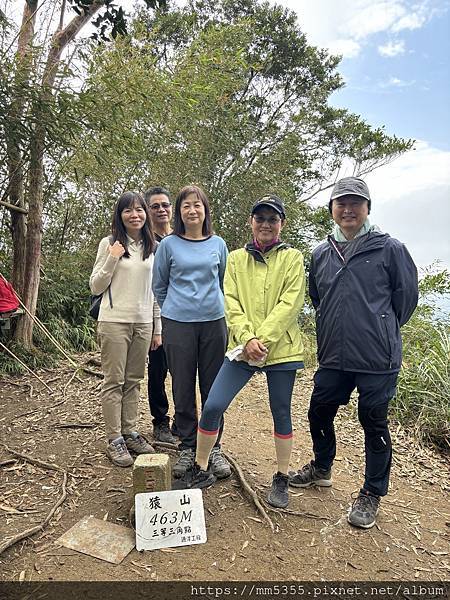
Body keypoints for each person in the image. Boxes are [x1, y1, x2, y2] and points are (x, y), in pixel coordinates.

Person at [289, 176, 418, 528]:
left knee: (373, 423)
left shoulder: (389, 248)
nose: (347, 210)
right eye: (341, 203)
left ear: (367, 209)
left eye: (355, 203)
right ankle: (321, 466)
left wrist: (379, 326)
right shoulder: (321, 253)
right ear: (332, 210)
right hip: (334, 354)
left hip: (378, 357)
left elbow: (405, 301)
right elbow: (319, 298)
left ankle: (372, 492)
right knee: (318, 410)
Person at [175, 195, 306, 510]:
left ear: (281, 224)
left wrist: (263, 339)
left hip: (281, 349)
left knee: (281, 411)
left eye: (272, 219)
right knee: (213, 405)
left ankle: (281, 477)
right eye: (260, 218)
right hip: (242, 347)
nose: (265, 224)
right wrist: (247, 339)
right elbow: (229, 300)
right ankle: (201, 468)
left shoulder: (293, 258)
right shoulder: (235, 258)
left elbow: (291, 304)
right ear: (251, 222)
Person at [152, 185, 231, 480]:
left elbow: (223, 283)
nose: (192, 210)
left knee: (214, 389)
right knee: (183, 386)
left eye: (197, 205)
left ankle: (213, 447)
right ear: (179, 211)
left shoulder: (218, 244)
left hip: (214, 323)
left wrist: (212, 307)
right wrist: (176, 309)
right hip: (178, 324)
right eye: (186, 205)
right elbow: (159, 285)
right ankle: (187, 446)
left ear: (205, 210)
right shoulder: (168, 245)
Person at [90, 191, 161, 467]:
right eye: (128, 210)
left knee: (133, 380)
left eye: (139, 210)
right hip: (114, 321)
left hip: (143, 322)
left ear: (146, 214)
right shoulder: (109, 243)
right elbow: (95, 286)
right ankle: (114, 438)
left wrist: (157, 328)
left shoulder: (152, 246)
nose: (135, 215)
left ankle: (130, 431)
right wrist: (112, 258)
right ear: (119, 215)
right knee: (114, 381)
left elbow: (155, 291)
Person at [144, 186, 176, 444]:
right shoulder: (144, 243)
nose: (161, 210)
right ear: (147, 210)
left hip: (182, 317)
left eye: (165, 205)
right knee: (157, 371)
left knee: (184, 373)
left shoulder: (181, 239)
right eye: (155, 206)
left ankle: (185, 421)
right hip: (155, 318)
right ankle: (160, 421)